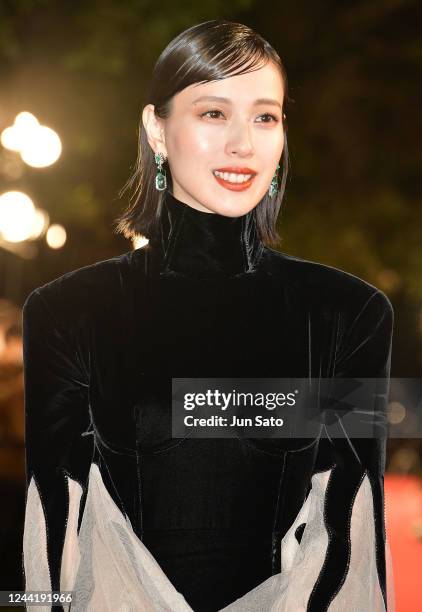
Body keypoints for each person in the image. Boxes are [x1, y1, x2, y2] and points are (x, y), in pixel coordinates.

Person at [22, 19, 395, 612]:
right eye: (213, 113)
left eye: (265, 116)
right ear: (157, 129)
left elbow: (355, 534)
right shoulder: (68, 313)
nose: (243, 143)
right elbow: (46, 534)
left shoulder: (349, 314)